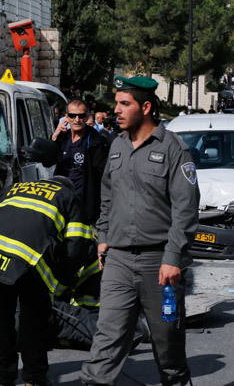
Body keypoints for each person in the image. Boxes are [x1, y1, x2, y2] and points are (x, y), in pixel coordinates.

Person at [80, 76, 200, 386]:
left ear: (145, 107)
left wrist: (173, 257)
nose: (115, 110)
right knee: (106, 341)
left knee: (168, 344)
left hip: (159, 263)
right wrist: (103, 238)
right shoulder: (117, 145)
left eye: (124, 104)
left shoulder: (174, 149)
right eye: (116, 103)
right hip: (118, 259)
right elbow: (108, 195)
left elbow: (185, 209)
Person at [0, 176, 97, 386]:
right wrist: (64, 280)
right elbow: (78, 244)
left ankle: (3, 379)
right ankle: (34, 379)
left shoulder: (15, 188)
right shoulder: (68, 197)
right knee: (33, 322)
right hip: (28, 261)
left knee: (1, 320)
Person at [51, 99, 109, 224]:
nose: (77, 120)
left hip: (84, 204)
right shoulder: (62, 137)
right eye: (72, 116)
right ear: (66, 117)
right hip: (60, 201)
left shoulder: (95, 141)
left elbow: (104, 174)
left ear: (87, 116)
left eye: (81, 116)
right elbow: (48, 161)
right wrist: (55, 136)